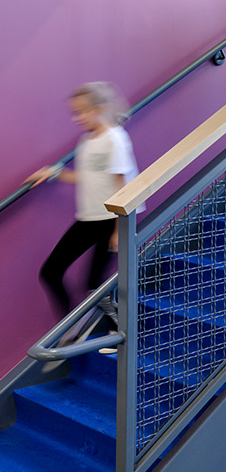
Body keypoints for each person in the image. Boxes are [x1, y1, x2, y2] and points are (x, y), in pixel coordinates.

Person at [26, 82, 137, 324]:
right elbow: (87, 176)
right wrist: (53, 173)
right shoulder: (87, 139)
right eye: (75, 113)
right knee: (51, 272)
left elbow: (124, 186)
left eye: (83, 111)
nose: (78, 118)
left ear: (100, 108)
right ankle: (69, 325)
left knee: (93, 284)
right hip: (89, 218)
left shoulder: (115, 139)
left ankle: (122, 331)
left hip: (110, 220)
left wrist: (120, 230)